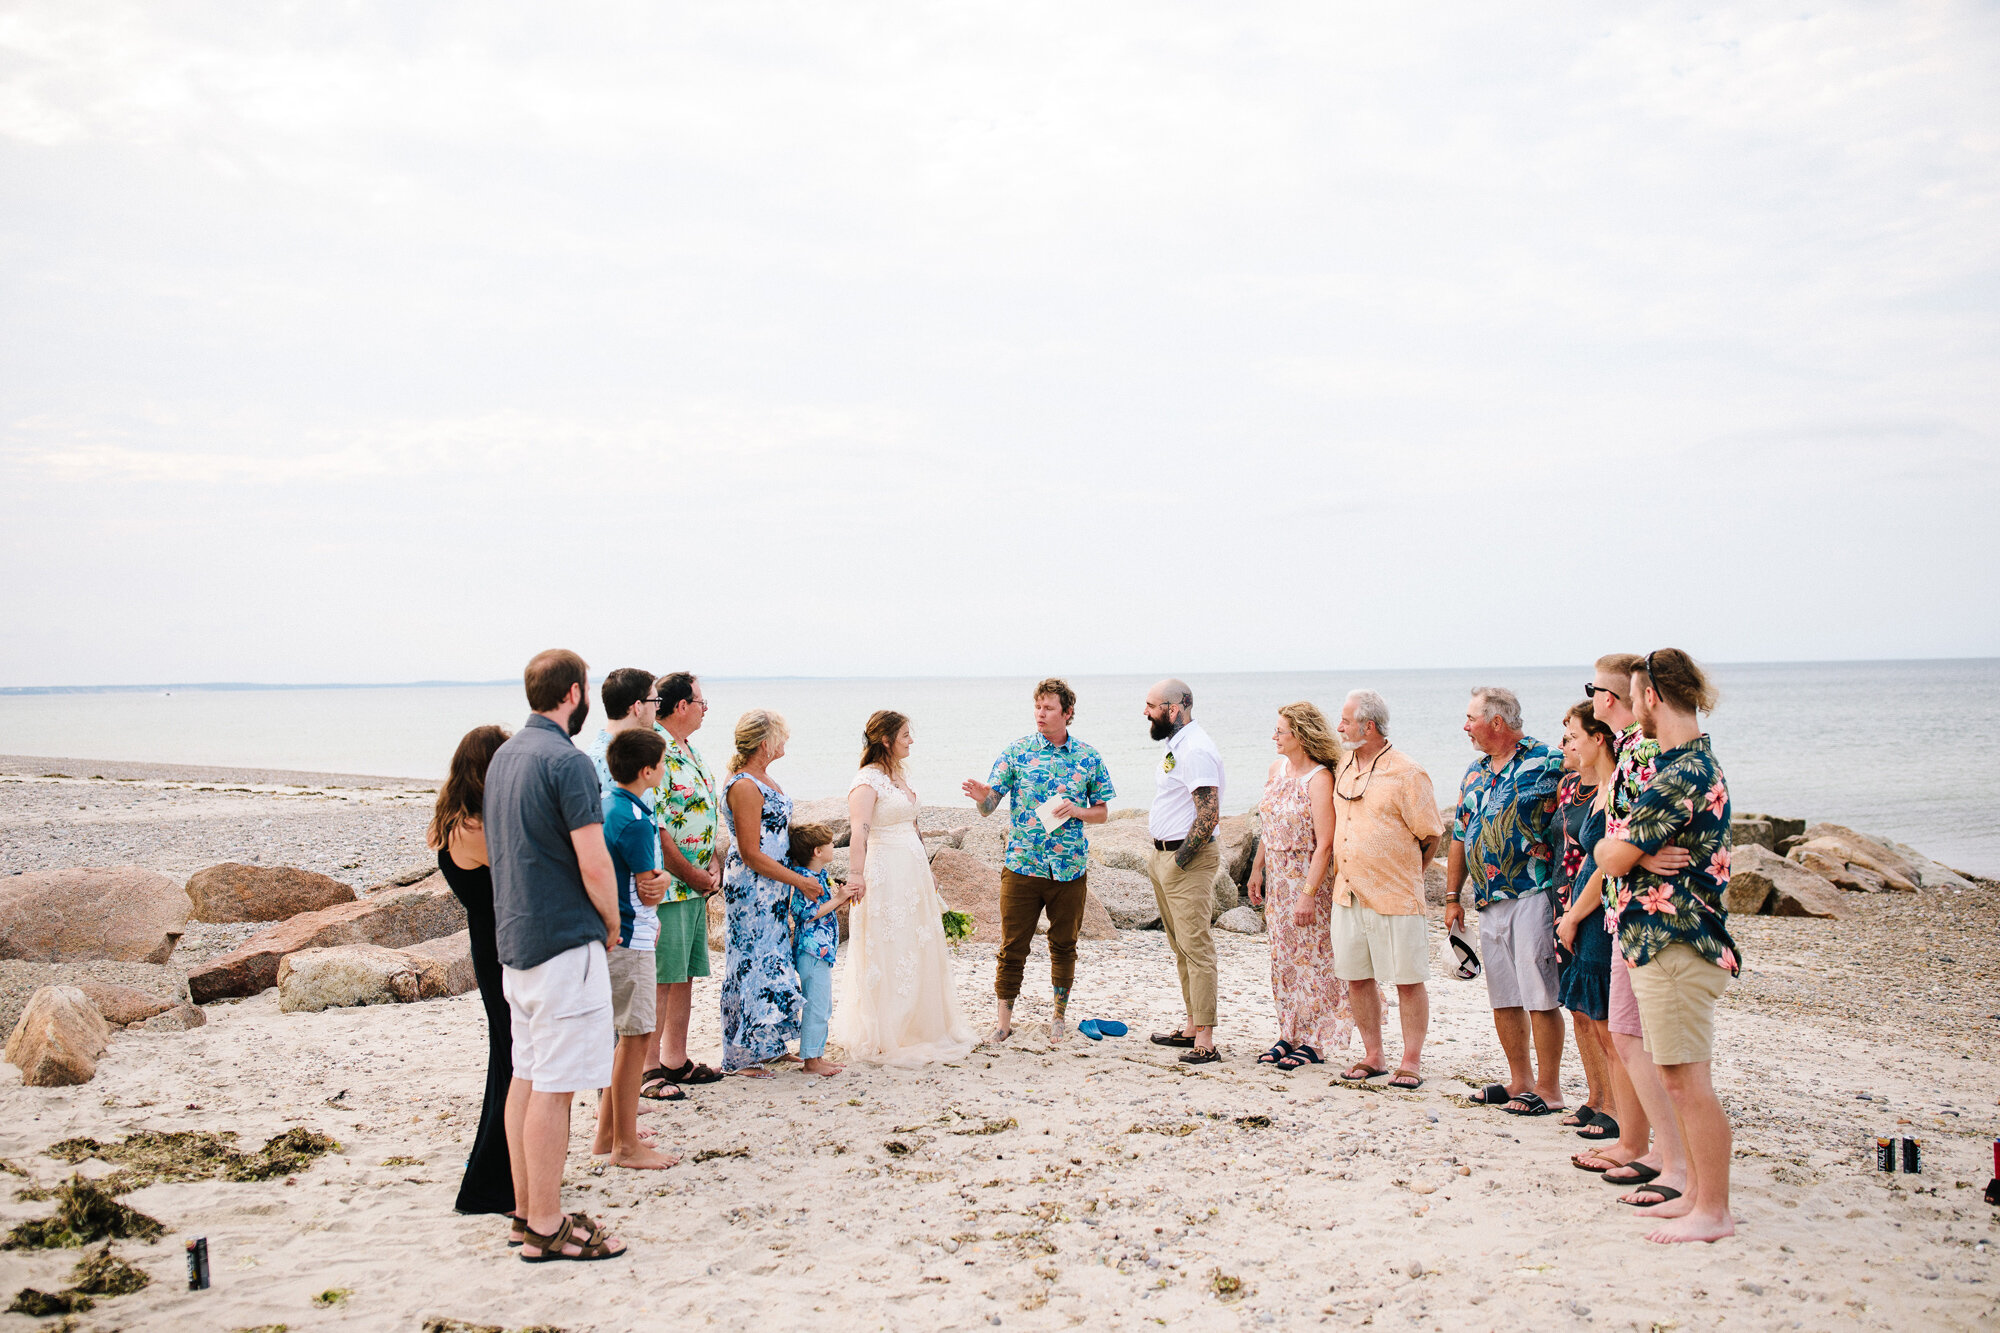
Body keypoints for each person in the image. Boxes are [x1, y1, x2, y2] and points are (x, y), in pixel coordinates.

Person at [1593, 649, 1740, 1244]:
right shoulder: (1684, 765)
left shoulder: (1681, 774)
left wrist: (1625, 853)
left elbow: (1610, 854)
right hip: (1659, 940)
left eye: (1636, 696)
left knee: (1687, 1081)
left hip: (1676, 940)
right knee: (1677, 1075)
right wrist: (1627, 852)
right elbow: (1615, 850)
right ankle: (1699, 1199)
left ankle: (1714, 1211)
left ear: (1651, 696)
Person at [483, 649, 626, 1262]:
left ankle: (525, 1209)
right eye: (586, 687)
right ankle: (545, 1222)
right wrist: (613, 919)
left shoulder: (505, 757)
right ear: (573, 692)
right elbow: (593, 859)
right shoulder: (567, 762)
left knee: (529, 1073)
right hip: (565, 940)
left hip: (516, 940)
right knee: (558, 1085)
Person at [1580, 652, 1692, 1206]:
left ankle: (1669, 1157)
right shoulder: (1628, 753)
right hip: (1623, 909)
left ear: (1611, 697)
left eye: (1595, 687)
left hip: (1647, 915)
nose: (1594, 697)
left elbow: (1649, 830)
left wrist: (1633, 856)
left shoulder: (1644, 752)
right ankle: (1650, 1147)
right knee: (1627, 1035)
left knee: (1642, 1038)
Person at [960, 677, 1115, 1045]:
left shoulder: (1088, 757)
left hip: (1068, 868)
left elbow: (1103, 812)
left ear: (1068, 713)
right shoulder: (1016, 752)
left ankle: (1059, 1016)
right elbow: (988, 807)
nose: (1040, 714)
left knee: (1064, 945)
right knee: (1012, 946)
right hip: (1022, 866)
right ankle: (1003, 1022)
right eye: (1037, 707)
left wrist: (1078, 810)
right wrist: (982, 797)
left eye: (1048, 708)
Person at [832, 710, 977, 1065]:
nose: (911, 741)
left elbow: (913, 827)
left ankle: (922, 1023)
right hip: (886, 871)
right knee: (891, 946)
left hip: (912, 871)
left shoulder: (898, 774)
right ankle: (891, 1029)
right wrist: (856, 874)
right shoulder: (866, 781)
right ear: (885, 740)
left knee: (917, 943)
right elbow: (859, 831)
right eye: (905, 735)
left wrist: (928, 871)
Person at [1447, 687, 1566, 1117]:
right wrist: (1451, 897)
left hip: (1532, 893)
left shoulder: (1550, 761)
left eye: (1470, 718)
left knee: (1539, 991)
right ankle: (1520, 1080)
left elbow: (1581, 812)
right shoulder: (1474, 772)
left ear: (1496, 722)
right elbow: (1459, 836)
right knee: (1503, 995)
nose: (1465, 727)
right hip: (1487, 899)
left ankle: (1550, 1090)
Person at [1328, 689, 1443, 1090]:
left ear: (1368, 726)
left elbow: (1431, 835)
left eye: (1345, 720)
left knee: (1408, 979)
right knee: (1357, 977)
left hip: (1394, 894)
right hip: (1348, 892)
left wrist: (1407, 870)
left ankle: (1410, 1060)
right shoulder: (1344, 764)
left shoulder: (1407, 772)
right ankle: (1373, 1054)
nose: (1339, 726)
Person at [428, 724, 514, 1219]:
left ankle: (498, 1175)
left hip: (492, 942)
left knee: (505, 1059)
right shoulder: (474, 830)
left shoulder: (458, 819)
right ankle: (489, 1185)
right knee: (510, 1060)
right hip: (500, 948)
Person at [1245, 702, 1351, 1072]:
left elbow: (1325, 842)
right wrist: (1256, 870)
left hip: (1307, 879)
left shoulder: (1320, 778)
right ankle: (1288, 1032)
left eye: (1280, 731)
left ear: (1300, 736)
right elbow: (1268, 827)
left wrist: (1308, 893)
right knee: (1283, 959)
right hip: (1277, 877)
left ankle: (1316, 1041)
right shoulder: (1277, 770)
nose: (1274, 736)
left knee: (1315, 959)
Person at [588, 729, 675, 1170]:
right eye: (662, 762)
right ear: (646, 771)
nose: (665, 769)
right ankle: (625, 1145)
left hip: (610, 936)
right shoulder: (637, 822)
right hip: (630, 938)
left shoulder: (609, 806)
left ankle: (607, 1134)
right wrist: (664, 883)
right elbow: (648, 891)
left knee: (622, 1036)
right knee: (636, 1036)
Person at [717, 709, 815, 1076]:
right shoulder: (744, 785)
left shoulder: (764, 778)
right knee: (749, 961)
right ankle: (740, 1055)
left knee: (772, 957)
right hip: (752, 887)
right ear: (764, 743)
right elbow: (751, 852)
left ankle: (769, 1044)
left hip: (773, 887)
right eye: (782, 736)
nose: (786, 742)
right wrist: (797, 879)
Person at [642, 672, 726, 1098]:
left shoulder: (687, 748)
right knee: (662, 976)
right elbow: (658, 826)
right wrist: (691, 873)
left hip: (696, 883)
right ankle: (648, 1068)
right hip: (671, 885)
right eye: (700, 701)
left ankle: (676, 1059)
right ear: (681, 706)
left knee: (685, 975)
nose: (705, 708)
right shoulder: (655, 747)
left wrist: (712, 860)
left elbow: (702, 810)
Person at [1142, 679, 1227, 1065]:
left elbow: (1208, 814)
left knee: (1196, 946)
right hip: (1165, 857)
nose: (1146, 712)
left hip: (1186, 859)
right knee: (1180, 946)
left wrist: (1179, 861)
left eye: (1151, 706)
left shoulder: (1196, 749)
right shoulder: (1176, 747)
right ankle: (1192, 1025)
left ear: (1173, 709)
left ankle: (1206, 1040)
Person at [1552, 701, 1621, 1140]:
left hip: (1595, 913)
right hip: (1577, 908)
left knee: (1603, 1016)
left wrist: (1574, 916)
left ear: (1599, 739)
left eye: (1574, 736)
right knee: (1581, 1009)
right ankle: (1597, 1097)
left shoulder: (1618, 788)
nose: (1569, 744)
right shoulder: (1587, 790)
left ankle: (1617, 1107)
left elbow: (1605, 866)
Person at [786, 821, 850, 1077]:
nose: (834, 846)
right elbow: (805, 913)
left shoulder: (818, 876)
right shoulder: (806, 880)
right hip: (812, 951)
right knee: (817, 1004)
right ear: (817, 852)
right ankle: (811, 1061)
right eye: (830, 844)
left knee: (822, 1004)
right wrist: (838, 900)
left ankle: (816, 1055)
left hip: (821, 950)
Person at [584, 667, 658, 799]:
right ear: (638, 707)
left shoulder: (628, 753)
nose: (657, 708)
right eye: (655, 701)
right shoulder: (604, 760)